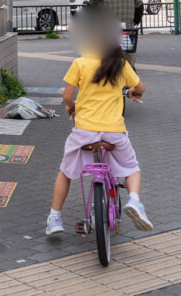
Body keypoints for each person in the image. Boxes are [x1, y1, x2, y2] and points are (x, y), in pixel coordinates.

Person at [46, 16, 152, 236]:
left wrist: (71, 106)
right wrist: (133, 92)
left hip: (84, 131)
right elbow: (141, 88)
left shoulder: (81, 63)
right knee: (132, 168)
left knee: (65, 172)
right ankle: (134, 201)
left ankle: (54, 218)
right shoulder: (120, 65)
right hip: (114, 132)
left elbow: (67, 95)